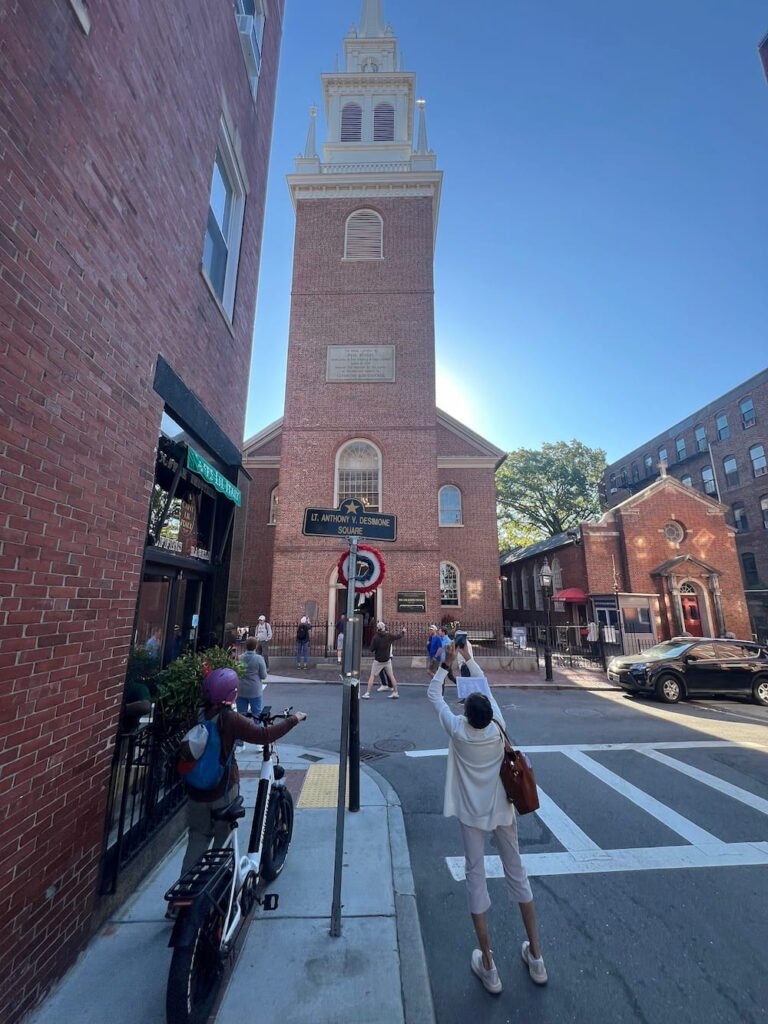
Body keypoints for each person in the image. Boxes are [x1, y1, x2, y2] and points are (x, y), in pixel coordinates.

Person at [426, 644, 547, 994]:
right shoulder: (498, 727)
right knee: (517, 871)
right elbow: (485, 686)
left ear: (465, 714)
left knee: (475, 876)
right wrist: (468, 657)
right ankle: (536, 956)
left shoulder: (457, 731)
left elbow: (434, 695)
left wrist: (446, 664)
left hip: (471, 815)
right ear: (488, 713)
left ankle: (489, 966)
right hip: (503, 811)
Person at [178, 667, 307, 879]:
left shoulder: (199, 714)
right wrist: (294, 719)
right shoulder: (228, 719)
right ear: (231, 694)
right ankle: (217, 889)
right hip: (223, 790)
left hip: (195, 792)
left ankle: (184, 895)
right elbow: (264, 735)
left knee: (198, 838)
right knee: (224, 839)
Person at [362, 622, 406, 699]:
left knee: (372, 676)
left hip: (378, 660)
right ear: (384, 628)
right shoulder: (388, 635)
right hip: (387, 660)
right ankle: (395, 692)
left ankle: (367, 693)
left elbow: (371, 649)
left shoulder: (375, 637)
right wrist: (403, 631)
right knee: (391, 676)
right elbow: (398, 636)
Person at [236, 637, 267, 745]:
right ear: (256, 646)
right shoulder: (259, 659)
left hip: (241, 689)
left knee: (240, 717)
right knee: (257, 716)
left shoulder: (240, 658)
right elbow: (263, 676)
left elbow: (237, 673)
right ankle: (259, 742)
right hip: (254, 690)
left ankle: (239, 743)